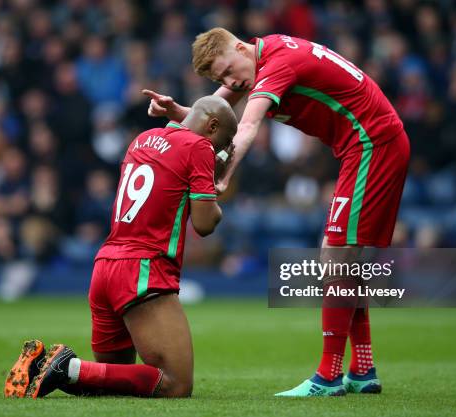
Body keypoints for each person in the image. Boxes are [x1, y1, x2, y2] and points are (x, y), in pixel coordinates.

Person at [144, 27, 410, 396]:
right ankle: (362, 370)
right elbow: (212, 117)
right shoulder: (256, 60)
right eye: (221, 78)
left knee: (335, 258)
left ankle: (329, 377)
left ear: (240, 47)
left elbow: (248, 124)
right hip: (364, 146)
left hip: (372, 144)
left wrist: (222, 179)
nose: (230, 81)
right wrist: (176, 111)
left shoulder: (278, 63)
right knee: (345, 259)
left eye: (227, 72)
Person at [4, 95, 237, 399]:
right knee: (177, 384)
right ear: (212, 125)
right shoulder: (201, 147)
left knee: (113, 383)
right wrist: (215, 184)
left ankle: (43, 367)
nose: (224, 149)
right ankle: (68, 368)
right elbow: (205, 224)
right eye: (225, 140)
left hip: (106, 266)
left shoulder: (142, 138)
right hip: (143, 270)